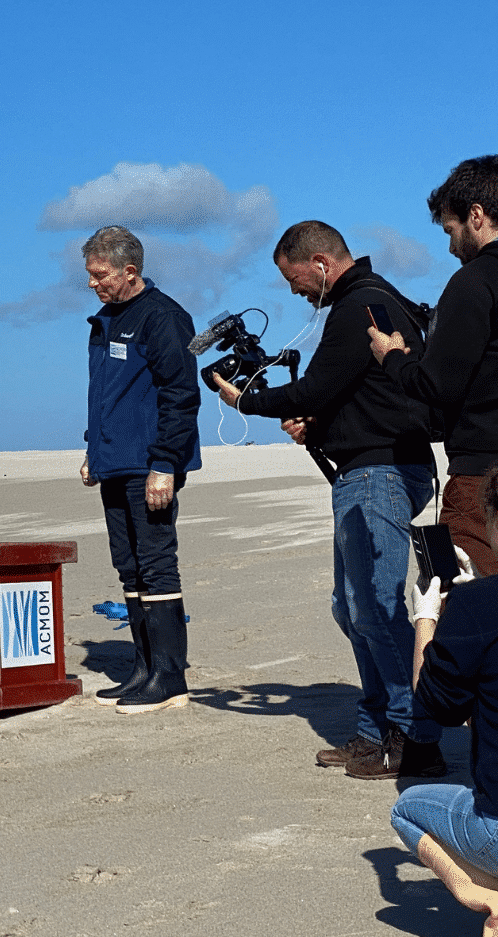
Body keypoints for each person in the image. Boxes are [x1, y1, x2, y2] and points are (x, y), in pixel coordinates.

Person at [209, 222, 441, 779]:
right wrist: (320, 426)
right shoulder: (375, 301)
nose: (293, 292)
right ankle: (374, 729)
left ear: (318, 262)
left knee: (375, 608)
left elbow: (316, 389)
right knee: (351, 607)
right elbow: (359, 394)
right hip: (372, 469)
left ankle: (414, 735)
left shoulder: (360, 304)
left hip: (381, 471)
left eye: (293, 279)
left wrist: (247, 400)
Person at [78, 226, 202, 714]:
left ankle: (169, 675)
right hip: (114, 462)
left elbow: (179, 394)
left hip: (152, 464)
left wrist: (165, 465)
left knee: (155, 564)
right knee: (127, 566)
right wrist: (95, 450)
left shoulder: (164, 317)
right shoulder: (105, 319)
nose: (92, 284)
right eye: (88, 275)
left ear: (130, 271)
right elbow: (107, 394)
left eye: (99, 275)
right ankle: (144, 668)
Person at [389, 464, 498, 937]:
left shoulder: (479, 607)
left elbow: (436, 706)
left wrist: (428, 618)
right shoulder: (481, 603)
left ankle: (492, 906)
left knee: (408, 809)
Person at [369, 155, 498, 577]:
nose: (449, 247)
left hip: (484, 476)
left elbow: (438, 385)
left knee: (465, 605)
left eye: (451, 230)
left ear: (476, 216)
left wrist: (392, 357)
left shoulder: (474, 281)